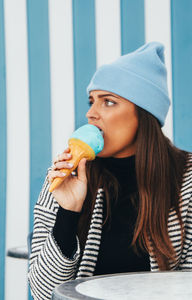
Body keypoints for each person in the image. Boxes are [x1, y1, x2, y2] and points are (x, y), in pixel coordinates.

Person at [28, 42, 192, 300]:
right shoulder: (65, 175)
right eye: (92, 101)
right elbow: (42, 293)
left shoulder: (187, 179)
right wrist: (68, 214)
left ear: (144, 114)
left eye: (109, 102)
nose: (91, 113)